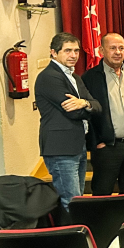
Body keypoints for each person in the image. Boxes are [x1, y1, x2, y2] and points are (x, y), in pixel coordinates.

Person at [35, 32, 101, 210]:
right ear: (54, 53)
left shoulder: (74, 77)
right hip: (60, 148)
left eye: (76, 51)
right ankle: (71, 236)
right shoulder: (49, 77)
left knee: (77, 199)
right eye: (68, 51)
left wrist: (84, 103)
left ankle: (79, 234)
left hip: (76, 145)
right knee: (70, 201)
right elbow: (73, 113)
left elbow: (97, 106)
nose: (73, 55)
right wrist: (87, 106)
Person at [82, 33, 124, 196]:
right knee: (102, 192)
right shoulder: (90, 77)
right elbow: (86, 113)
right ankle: (102, 222)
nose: (118, 52)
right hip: (107, 148)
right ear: (102, 50)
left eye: (121, 48)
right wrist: (95, 142)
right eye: (112, 48)